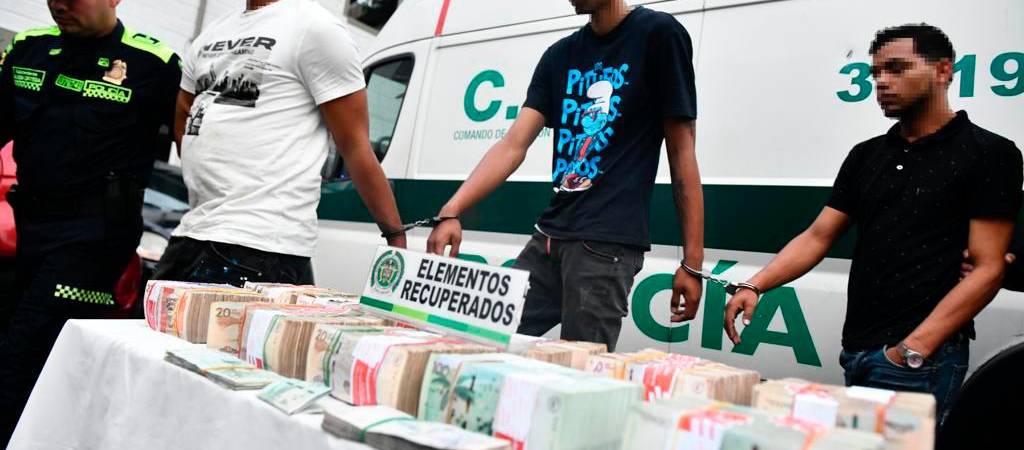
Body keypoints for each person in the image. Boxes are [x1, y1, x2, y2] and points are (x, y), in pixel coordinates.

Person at [722, 24, 1022, 423]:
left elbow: (988, 268)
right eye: (876, 72)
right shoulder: (867, 156)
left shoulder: (989, 153)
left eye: (897, 69)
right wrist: (753, 283)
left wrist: (913, 350)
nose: (882, 81)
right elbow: (818, 236)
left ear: (944, 71)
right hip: (859, 350)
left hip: (921, 359)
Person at [427, 0, 704, 351]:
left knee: (580, 374)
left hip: (606, 246)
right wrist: (452, 210)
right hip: (549, 236)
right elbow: (513, 144)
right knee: (481, 340)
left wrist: (692, 264)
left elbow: (682, 153)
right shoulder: (560, 55)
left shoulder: (659, 35)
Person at [0, 0, 181, 442]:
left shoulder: (154, 64)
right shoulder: (28, 48)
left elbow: (196, 146)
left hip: (94, 239)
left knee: (20, 356)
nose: (61, 4)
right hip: (26, 230)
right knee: (32, 357)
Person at [154, 0, 406, 287]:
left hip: (264, 245)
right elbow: (184, 111)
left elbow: (355, 146)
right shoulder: (211, 35)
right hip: (195, 230)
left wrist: (395, 235)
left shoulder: (315, 28)